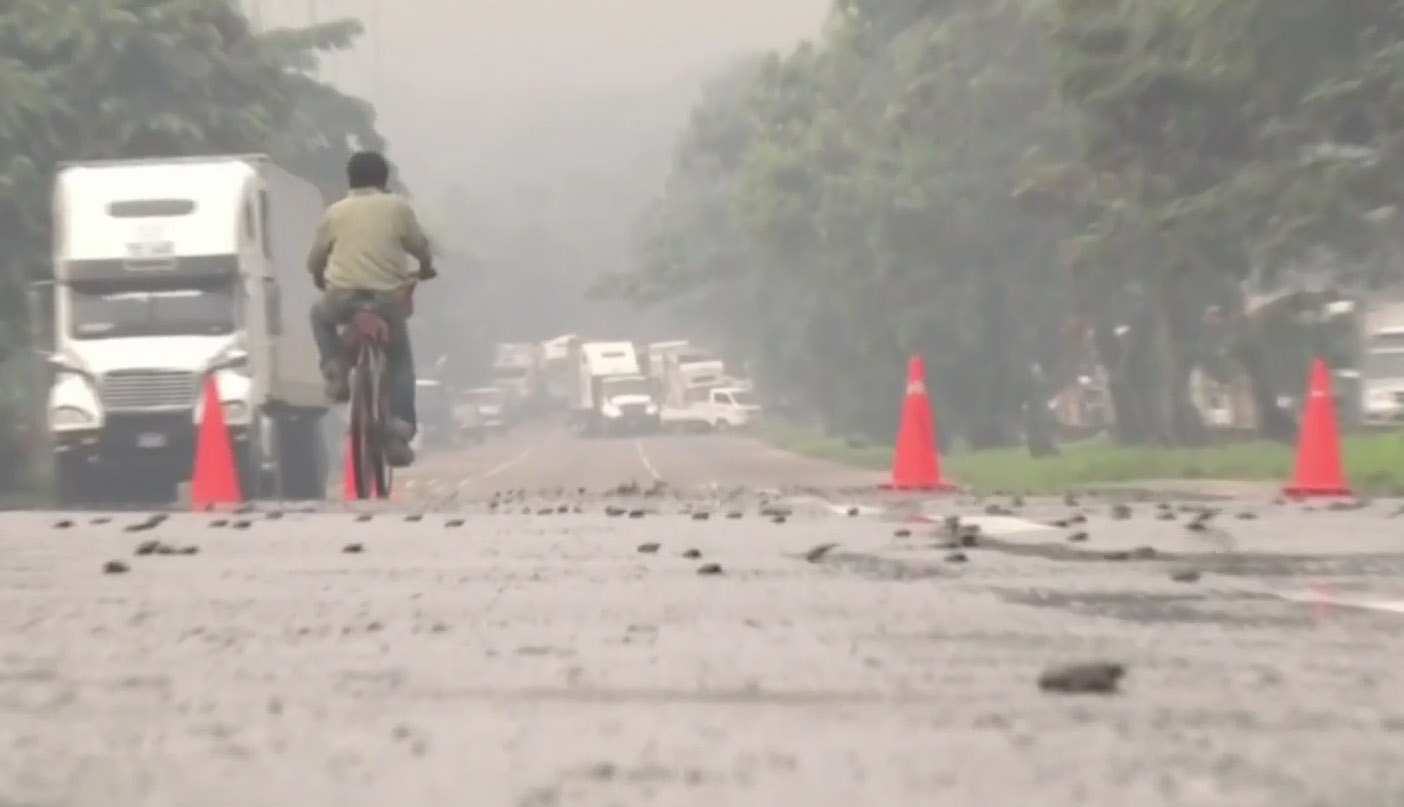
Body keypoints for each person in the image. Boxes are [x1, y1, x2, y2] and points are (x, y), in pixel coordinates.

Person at [306, 150, 436, 467]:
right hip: (386, 300)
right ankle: (399, 429)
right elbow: (419, 245)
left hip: (343, 297)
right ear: (384, 180)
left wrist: (321, 277)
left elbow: (315, 259)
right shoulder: (398, 208)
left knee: (318, 315)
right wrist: (425, 266)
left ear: (350, 180)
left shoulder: (335, 212)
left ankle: (335, 368)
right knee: (400, 360)